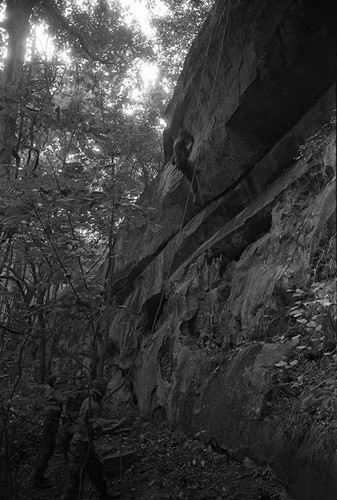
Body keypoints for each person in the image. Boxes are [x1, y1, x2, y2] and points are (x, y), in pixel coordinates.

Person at [60, 378, 118, 500]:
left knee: (95, 469)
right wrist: (116, 428)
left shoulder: (88, 401)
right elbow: (96, 430)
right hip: (80, 443)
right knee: (74, 476)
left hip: (83, 442)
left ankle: (104, 494)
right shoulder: (94, 405)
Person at [32, 372, 65, 488]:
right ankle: (37, 479)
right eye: (57, 381)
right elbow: (64, 400)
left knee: (47, 451)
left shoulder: (53, 392)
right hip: (49, 426)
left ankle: (39, 477)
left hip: (51, 425)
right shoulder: (54, 393)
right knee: (46, 451)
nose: (60, 382)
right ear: (53, 383)